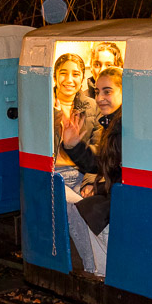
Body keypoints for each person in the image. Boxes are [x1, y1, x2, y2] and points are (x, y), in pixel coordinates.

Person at [61, 67, 123, 277]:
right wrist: (74, 145)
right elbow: (104, 164)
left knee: (88, 209)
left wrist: (75, 147)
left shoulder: (121, 125)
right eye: (97, 92)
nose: (100, 98)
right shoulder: (113, 122)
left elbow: (106, 166)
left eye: (107, 91)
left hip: (122, 201)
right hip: (117, 195)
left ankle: (102, 273)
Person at [52, 53, 100, 197]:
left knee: (95, 206)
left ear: (82, 79)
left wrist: (90, 181)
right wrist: (56, 115)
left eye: (75, 74)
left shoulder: (93, 106)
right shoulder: (44, 104)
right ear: (54, 77)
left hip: (82, 175)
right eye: (63, 73)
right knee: (76, 207)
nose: (69, 80)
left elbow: (98, 149)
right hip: (53, 176)